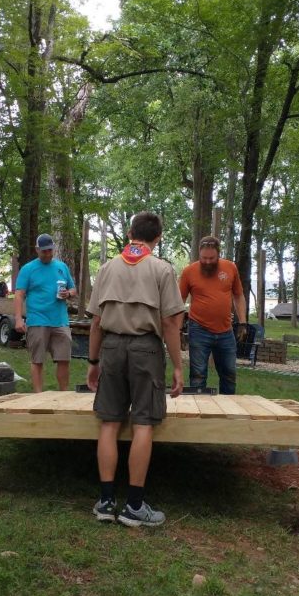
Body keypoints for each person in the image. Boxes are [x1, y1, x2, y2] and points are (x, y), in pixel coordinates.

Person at [86, 212, 185, 527]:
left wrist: (93, 362)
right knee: (143, 423)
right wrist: (178, 366)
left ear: (130, 233)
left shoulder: (106, 268)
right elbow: (170, 321)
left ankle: (104, 501)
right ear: (158, 238)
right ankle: (134, 506)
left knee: (109, 423)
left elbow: (97, 321)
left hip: (112, 348)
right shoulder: (162, 269)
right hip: (146, 349)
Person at [178, 235, 247, 394]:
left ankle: (228, 408)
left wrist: (243, 322)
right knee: (198, 374)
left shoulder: (230, 268)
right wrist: (178, 329)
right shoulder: (189, 271)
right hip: (199, 329)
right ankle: (198, 410)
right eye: (204, 258)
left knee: (229, 373)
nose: (208, 261)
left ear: (218, 254)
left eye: (212, 258)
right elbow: (179, 301)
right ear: (199, 255)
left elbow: (238, 295)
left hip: (225, 331)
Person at [14, 233, 76, 392]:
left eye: (50, 250)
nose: (47, 254)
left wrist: (68, 294)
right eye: (44, 251)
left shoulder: (62, 267)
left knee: (64, 359)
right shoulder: (28, 269)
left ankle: (63, 394)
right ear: (37, 250)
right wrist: (18, 319)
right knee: (37, 360)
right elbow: (19, 295)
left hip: (60, 320)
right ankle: (38, 396)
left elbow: (73, 289)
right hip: (38, 320)